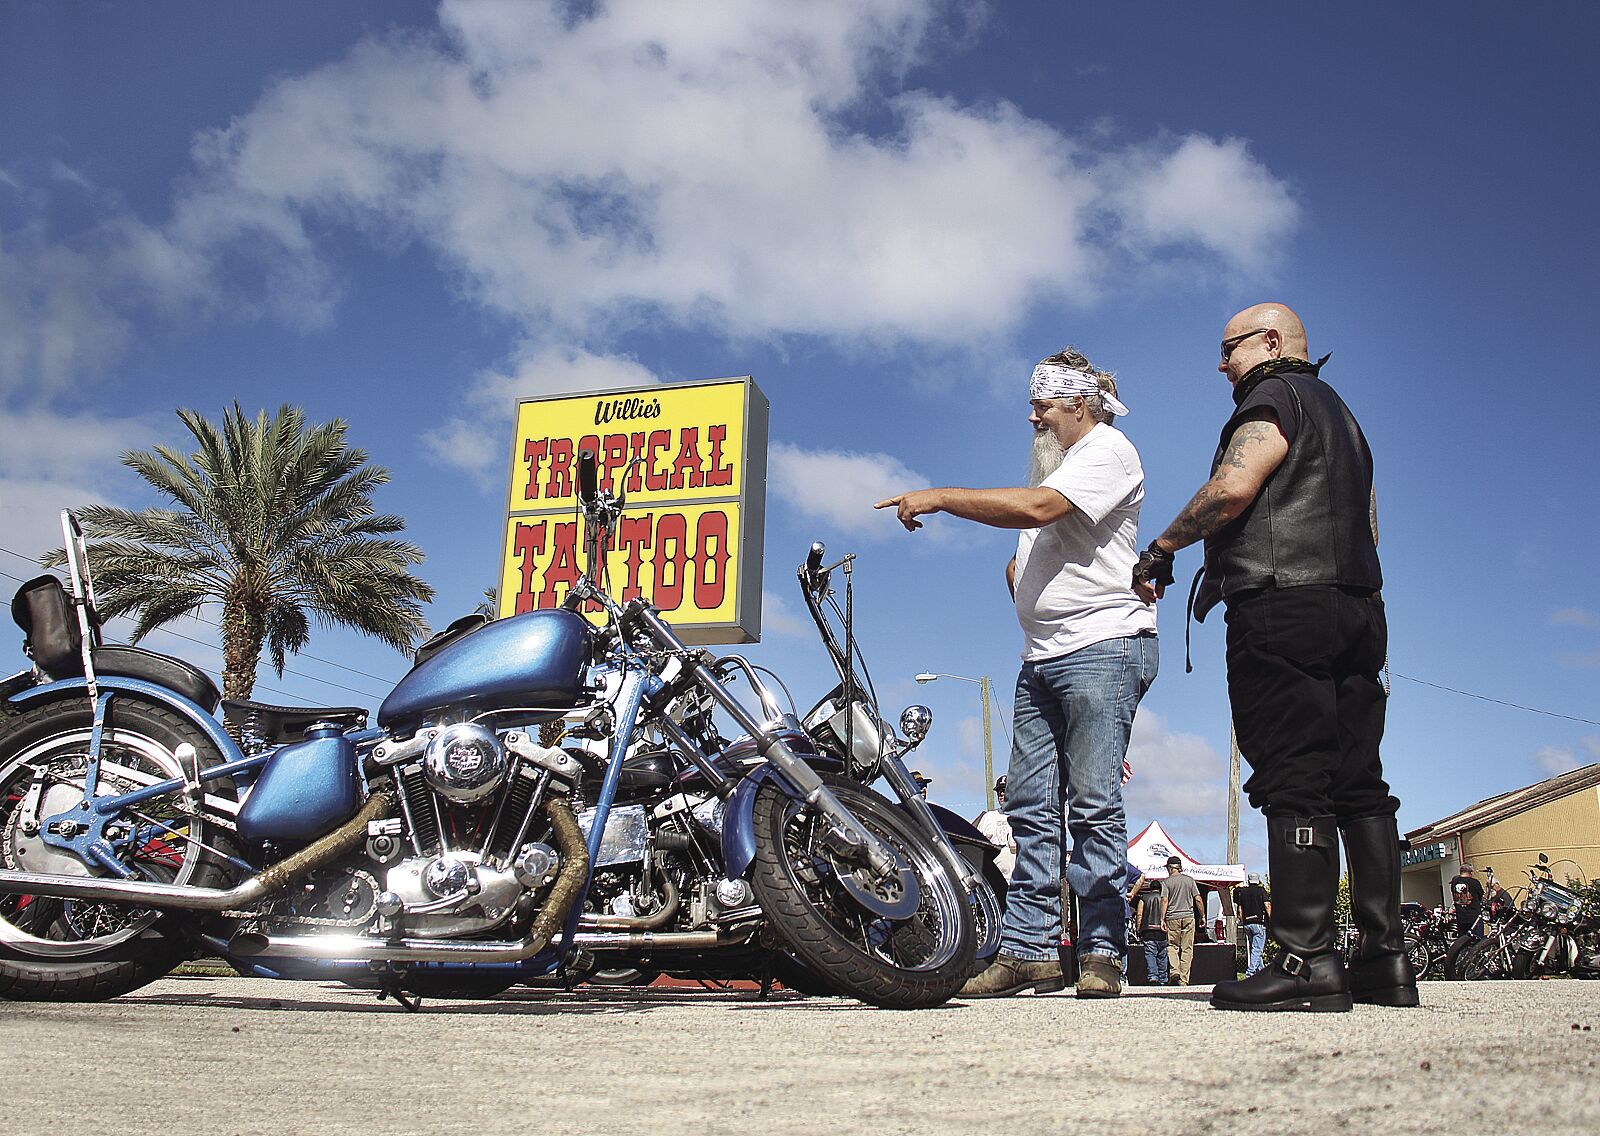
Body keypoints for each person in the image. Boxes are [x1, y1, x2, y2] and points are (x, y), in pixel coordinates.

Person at [1133, 303, 1414, 1012]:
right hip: (1357, 605)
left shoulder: (1272, 396)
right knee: (1359, 780)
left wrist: (1163, 549)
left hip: (1283, 605)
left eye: (1227, 348)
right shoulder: (1343, 418)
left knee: (1294, 776)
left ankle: (1304, 957)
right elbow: (1372, 521)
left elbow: (1232, 487)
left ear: (1269, 341)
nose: (1220, 364)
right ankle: (1384, 961)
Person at [876, 347, 1158, 999]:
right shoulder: (1056, 467)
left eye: (1044, 406)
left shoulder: (1109, 451)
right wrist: (1022, 579)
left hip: (1103, 647)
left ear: (1079, 406)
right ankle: (1028, 949)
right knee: (1030, 806)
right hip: (1046, 656)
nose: (1033, 416)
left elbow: (1037, 512)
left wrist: (941, 496)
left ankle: (1103, 950)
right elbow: (1036, 538)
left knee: (1091, 804)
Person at [1160, 856, 1204, 984]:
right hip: (1188, 916)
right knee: (1187, 949)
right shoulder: (1189, 880)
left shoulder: (1166, 882)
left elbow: (1164, 900)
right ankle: (1184, 979)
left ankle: (1175, 971)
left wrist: (1162, 919)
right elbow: (1198, 899)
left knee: (1172, 946)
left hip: (1172, 917)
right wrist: (1202, 916)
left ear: (1170, 868)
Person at [973, 775, 1016, 880]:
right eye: (999, 791)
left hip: (1016, 879)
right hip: (993, 877)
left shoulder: (1020, 818)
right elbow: (976, 844)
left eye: (1005, 790)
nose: (1001, 794)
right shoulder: (988, 817)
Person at [1235, 872, 1272, 977]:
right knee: (1257, 949)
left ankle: (1262, 973)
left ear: (1249, 880)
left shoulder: (1243, 892)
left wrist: (1242, 921)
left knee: (1255, 949)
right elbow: (1267, 905)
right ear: (1258, 880)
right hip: (1259, 924)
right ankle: (1250, 973)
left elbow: (1240, 909)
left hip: (1247, 924)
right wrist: (1271, 920)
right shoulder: (1261, 891)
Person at [1134, 879, 1169, 986]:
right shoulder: (1164, 898)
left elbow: (1139, 914)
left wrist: (1138, 927)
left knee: (1150, 954)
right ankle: (1163, 978)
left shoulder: (1144, 898)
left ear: (1150, 888)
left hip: (1148, 930)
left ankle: (1153, 977)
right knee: (1163, 955)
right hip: (1162, 930)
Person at [1449, 864, 1485, 939]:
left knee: (1462, 941)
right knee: (1477, 941)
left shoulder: (1454, 882)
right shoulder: (1474, 882)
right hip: (1474, 917)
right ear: (1470, 872)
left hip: (1460, 917)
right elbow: (1481, 895)